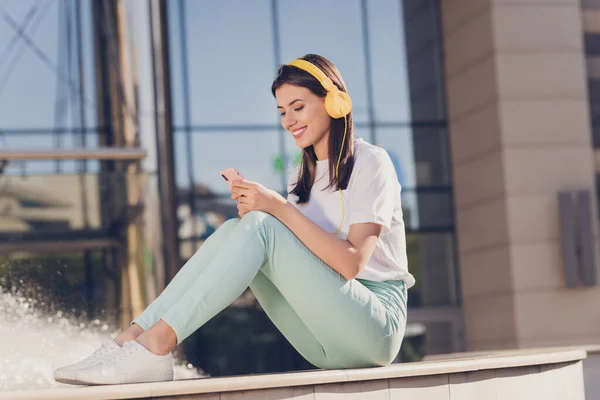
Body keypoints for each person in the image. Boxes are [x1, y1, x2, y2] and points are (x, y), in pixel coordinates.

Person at [53, 53, 415, 386]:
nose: (289, 121)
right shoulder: (298, 175)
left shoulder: (370, 162)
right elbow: (304, 255)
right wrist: (264, 212)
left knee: (261, 226)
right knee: (236, 228)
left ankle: (157, 344)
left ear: (334, 101)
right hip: (324, 342)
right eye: (282, 112)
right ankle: (130, 339)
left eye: (298, 107)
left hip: (375, 327)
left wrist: (276, 210)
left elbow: (350, 263)